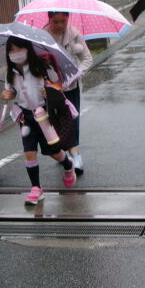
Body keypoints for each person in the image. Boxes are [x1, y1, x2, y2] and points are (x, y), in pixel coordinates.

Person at [0, 36, 77, 206]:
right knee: (29, 152)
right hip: (26, 117)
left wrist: (49, 88)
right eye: (12, 50)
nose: (16, 53)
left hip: (45, 116)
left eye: (19, 48)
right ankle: (36, 188)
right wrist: (7, 95)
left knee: (53, 151)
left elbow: (58, 84)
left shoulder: (42, 67)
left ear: (28, 49)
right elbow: (11, 94)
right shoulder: (10, 75)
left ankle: (67, 164)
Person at [44, 11, 92, 174]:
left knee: (72, 120)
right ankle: (62, 153)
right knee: (53, 123)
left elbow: (87, 59)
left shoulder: (74, 34)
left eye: (63, 21)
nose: (60, 25)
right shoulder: (41, 36)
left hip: (71, 87)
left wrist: (74, 75)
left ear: (68, 19)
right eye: (55, 21)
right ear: (49, 19)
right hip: (49, 89)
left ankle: (76, 157)